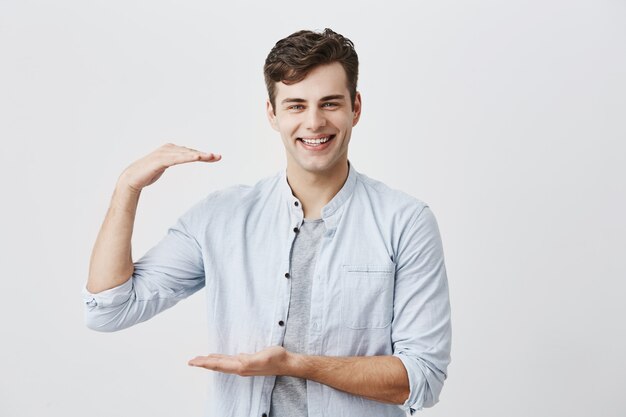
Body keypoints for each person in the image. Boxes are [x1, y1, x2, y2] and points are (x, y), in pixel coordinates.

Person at [83, 28, 451, 417]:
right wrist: (128, 187)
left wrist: (297, 365)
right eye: (295, 105)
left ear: (355, 108)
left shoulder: (406, 222)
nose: (314, 122)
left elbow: (421, 378)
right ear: (272, 114)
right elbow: (107, 310)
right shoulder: (221, 217)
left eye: (330, 104)